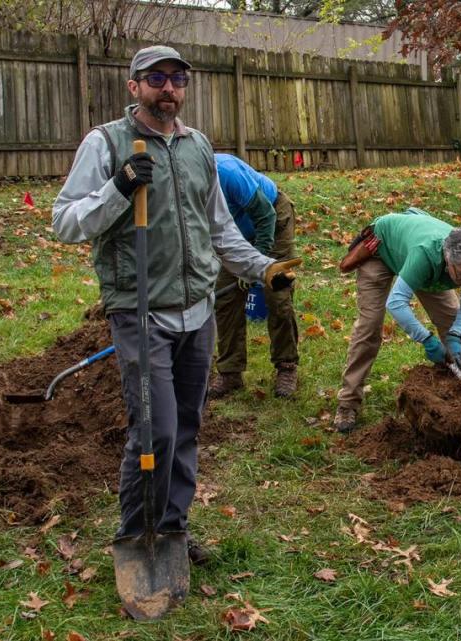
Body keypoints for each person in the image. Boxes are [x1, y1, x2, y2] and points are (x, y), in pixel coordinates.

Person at [52, 45, 297, 565]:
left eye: (178, 79)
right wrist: (120, 187)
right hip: (141, 311)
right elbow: (65, 223)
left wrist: (261, 267)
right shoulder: (106, 143)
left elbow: (219, 229)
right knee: (154, 429)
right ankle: (137, 534)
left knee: (186, 426)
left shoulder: (198, 147)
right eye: (156, 78)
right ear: (133, 86)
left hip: (197, 310)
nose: (169, 88)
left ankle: (173, 531)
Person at [334, 208, 461, 434]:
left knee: (452, 322)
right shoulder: (426, 255)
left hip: (423, 265)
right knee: (370, 326)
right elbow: (396, 303)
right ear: (448, 259)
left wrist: (456, 333)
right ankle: (348, 402)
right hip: (381, 253)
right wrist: (427, 339)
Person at [209, 154, 299, 399]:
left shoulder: (226, 173)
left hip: (272, 219)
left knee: (276, 294)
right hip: (232, 235)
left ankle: (286, 366)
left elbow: (265, 215)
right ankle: (230, 372)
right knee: (225, 299)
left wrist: (257, 265)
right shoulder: (183, 185)